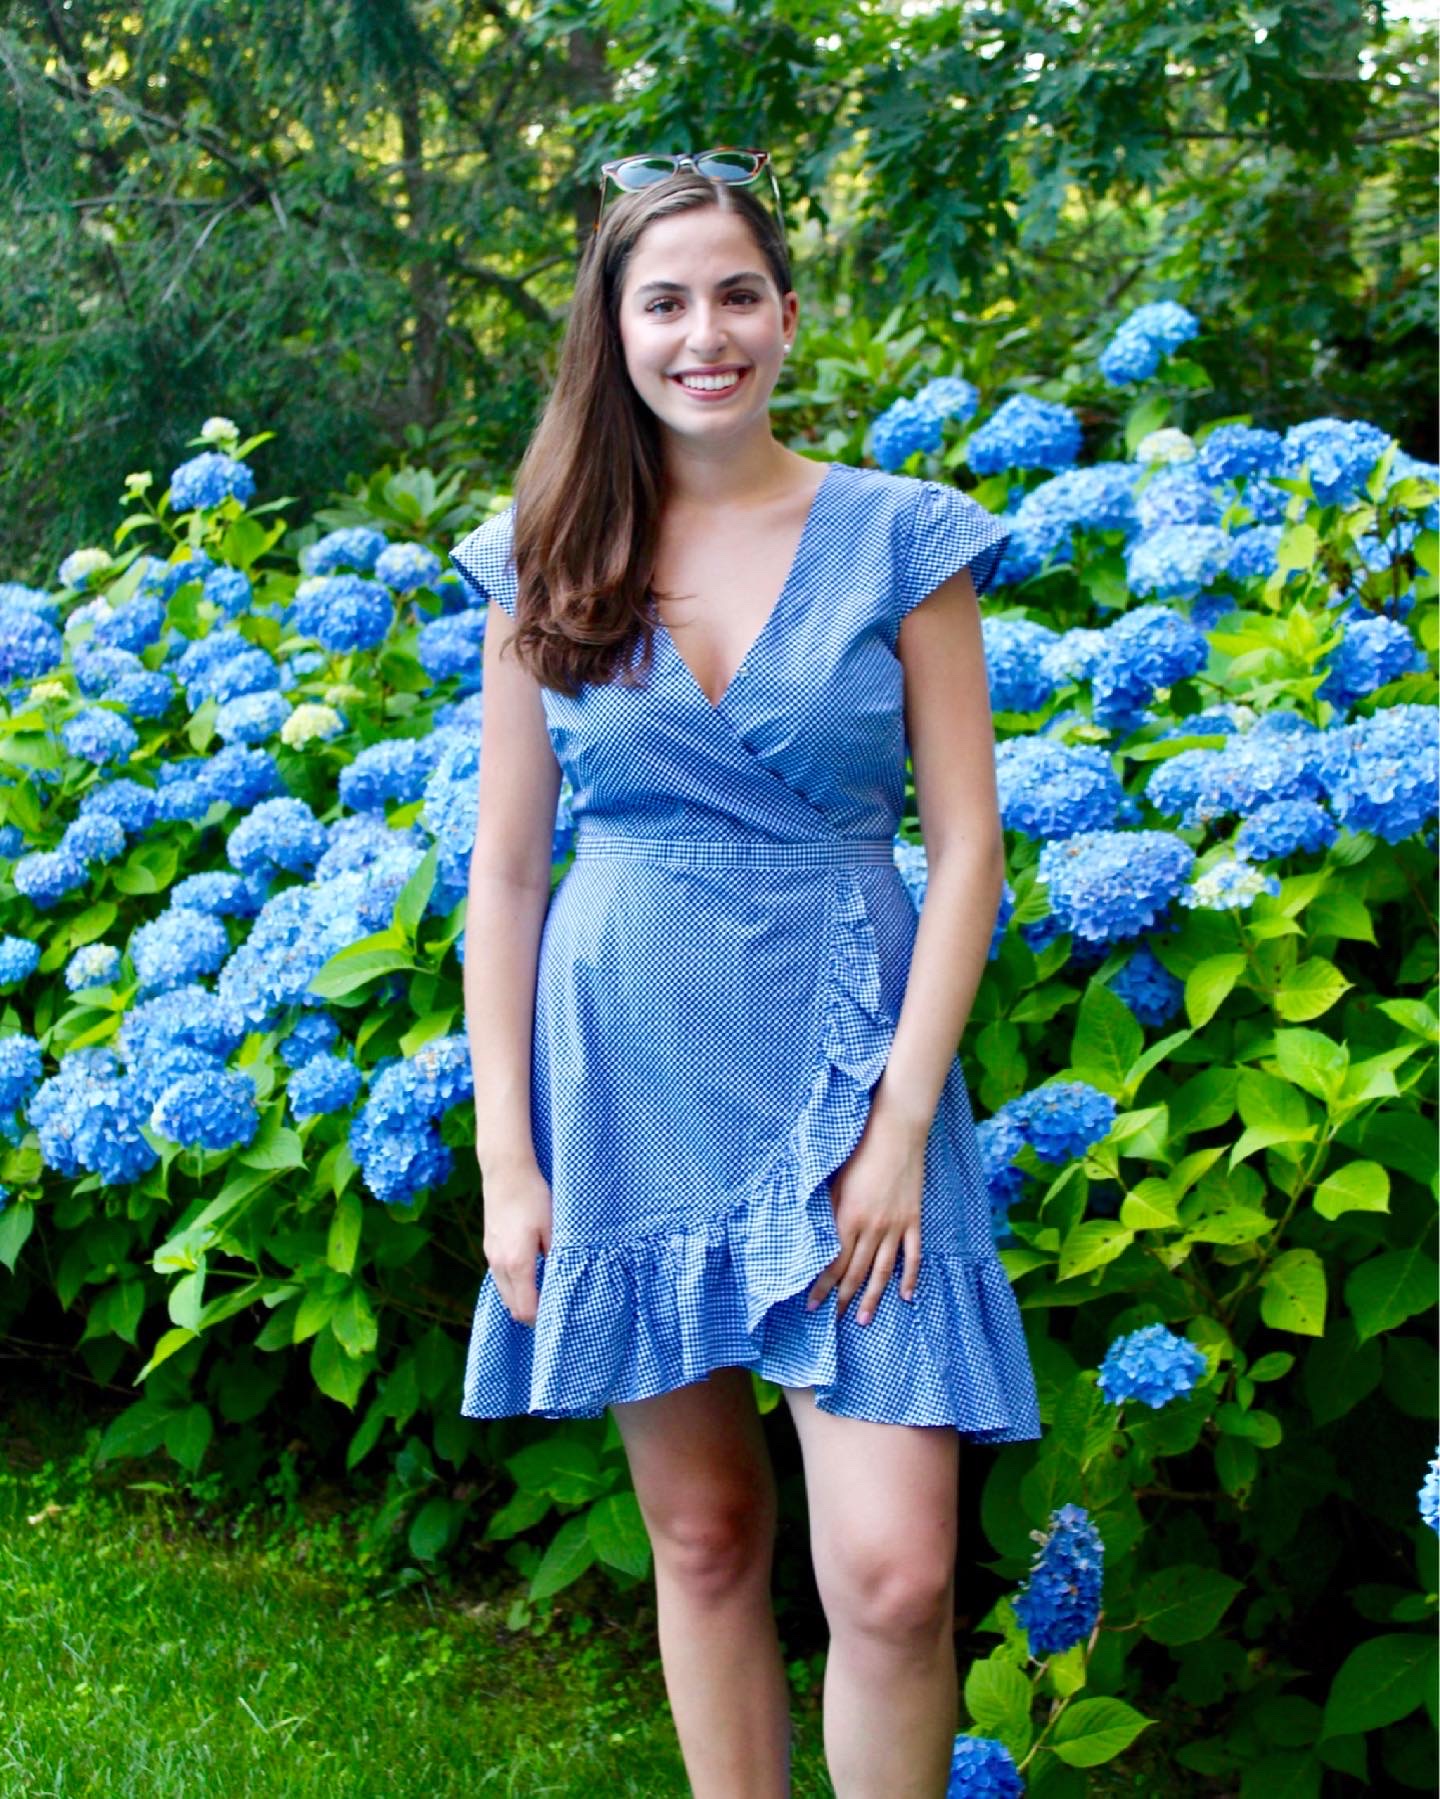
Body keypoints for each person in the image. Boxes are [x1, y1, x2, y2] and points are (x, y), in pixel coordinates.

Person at [450, 149, 1042, 1799]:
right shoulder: (545, 551)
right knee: (704, 1537)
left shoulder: (900, 536)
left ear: (785, 313)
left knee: (896, 1576)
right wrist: (511, 1156)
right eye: (664, 301)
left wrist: (905, 1123)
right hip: (629, 1059)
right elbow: (506, 871)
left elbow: (970, 846)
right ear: (613, 328)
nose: (703, 332)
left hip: (855, 1059)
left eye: (734, 295)